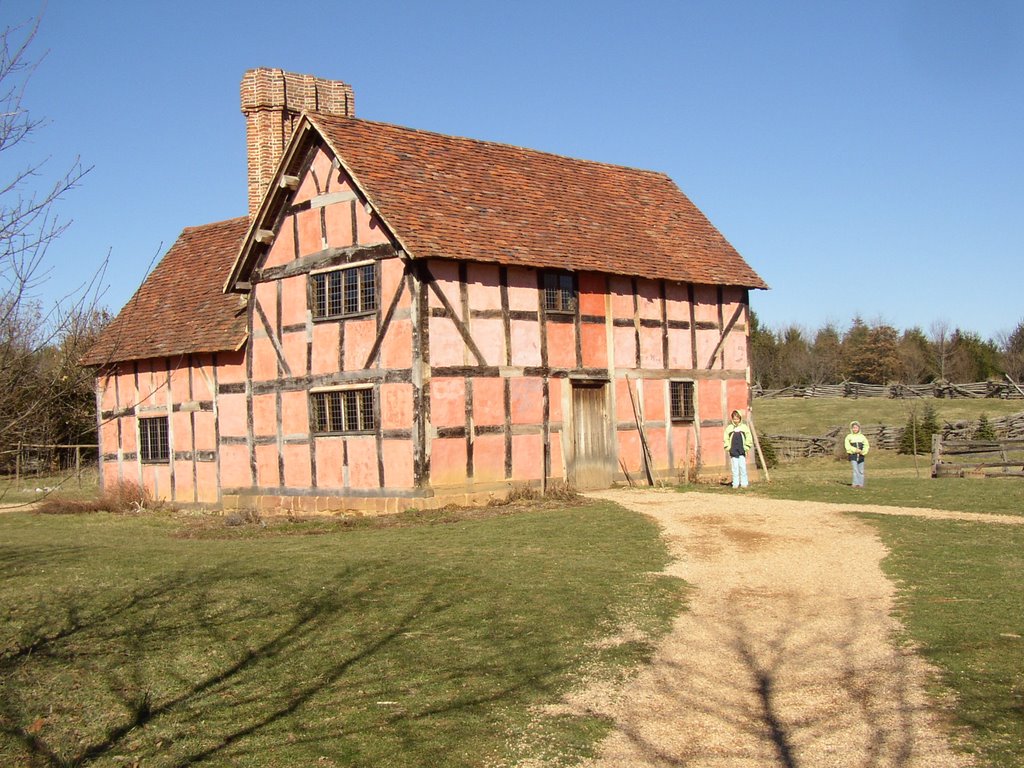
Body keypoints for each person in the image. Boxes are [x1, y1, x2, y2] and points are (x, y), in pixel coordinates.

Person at [723, 410, 753, 488]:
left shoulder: (744, 428)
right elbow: (726, 438)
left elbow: (749, 438)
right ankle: (735, 483)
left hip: (741, 450)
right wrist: (728, 447)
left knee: (742, 467)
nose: (736, 420)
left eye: (737, 419)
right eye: (734, 419)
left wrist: (746, 447)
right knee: (735, 468)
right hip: (733, 451)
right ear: (732, 419)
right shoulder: (729, 428)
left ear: (740, 418)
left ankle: (744, 483)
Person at [844, 421, 870, 487]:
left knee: (861, 470)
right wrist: (855, 450)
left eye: (856, 428)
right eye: (854, 428)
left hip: (861, 456)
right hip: (853, 455)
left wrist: (863, 451)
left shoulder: (862, 437)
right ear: (851, 428)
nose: (855, 429)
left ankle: (860, 484)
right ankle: (855, 483)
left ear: (859, 428)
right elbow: (847, 446)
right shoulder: (849, 437)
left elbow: (866, 445)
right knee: (855, 470)